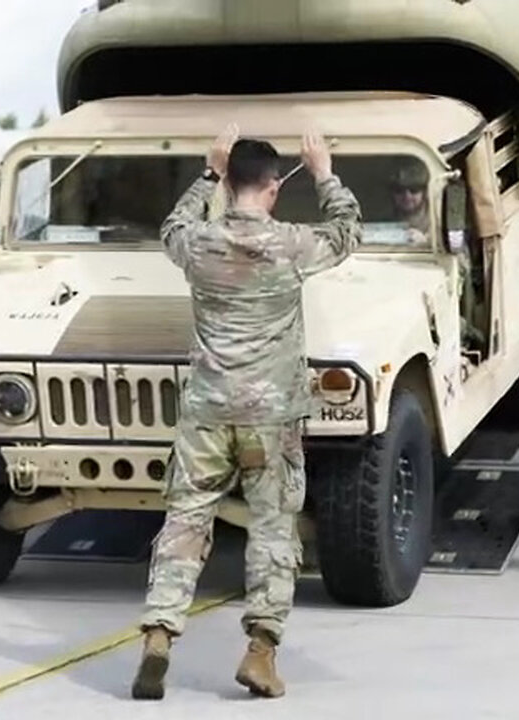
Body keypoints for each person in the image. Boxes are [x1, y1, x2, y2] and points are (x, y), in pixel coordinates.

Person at [131, 126, 362, 700]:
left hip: (207, 411)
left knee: (185, 521)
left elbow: (171, 227)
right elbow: (347, 232)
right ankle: (261, 651)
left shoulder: (198, 243)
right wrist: (323, 169)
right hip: (271, 417)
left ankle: (159, 633)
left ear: (229, 183)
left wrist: (207, 172)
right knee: (272, 531)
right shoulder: (289, 244)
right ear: (272, 190)